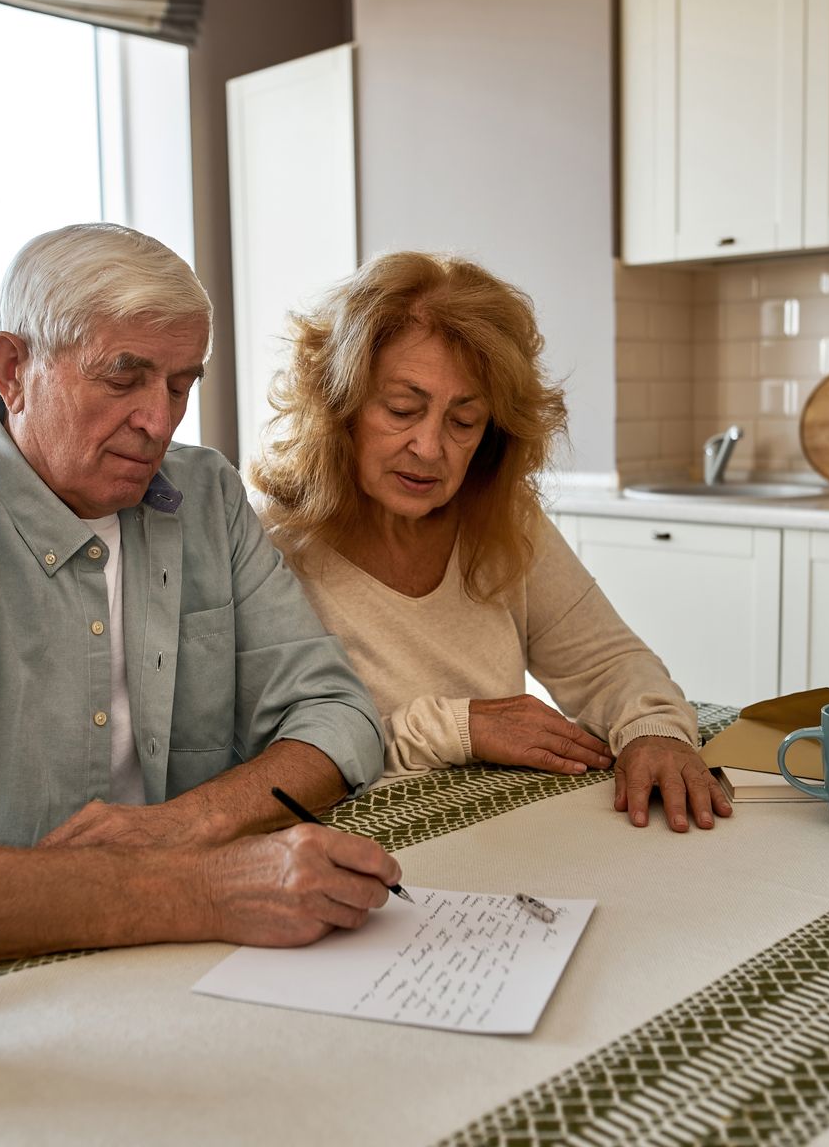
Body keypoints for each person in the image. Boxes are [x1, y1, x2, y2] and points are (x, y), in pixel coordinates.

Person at [0, 224, 399, 961]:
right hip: (10, 947)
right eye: (123, 376)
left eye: (180, 384)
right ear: (13, 369)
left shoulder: (207, 494)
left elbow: (340, 714)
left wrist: (182, 828)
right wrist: (190, 889)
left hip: (210, 941)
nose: (159, 422)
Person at [251, 251, 732, 833]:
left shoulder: (502, 519)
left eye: (463, 421)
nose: (429, 448)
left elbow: (608, 664)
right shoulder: (270, 545)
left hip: (502, 832)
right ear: (339, 404)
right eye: (403, 409)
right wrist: (460, 727)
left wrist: (654, 731)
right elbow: (271, 760)